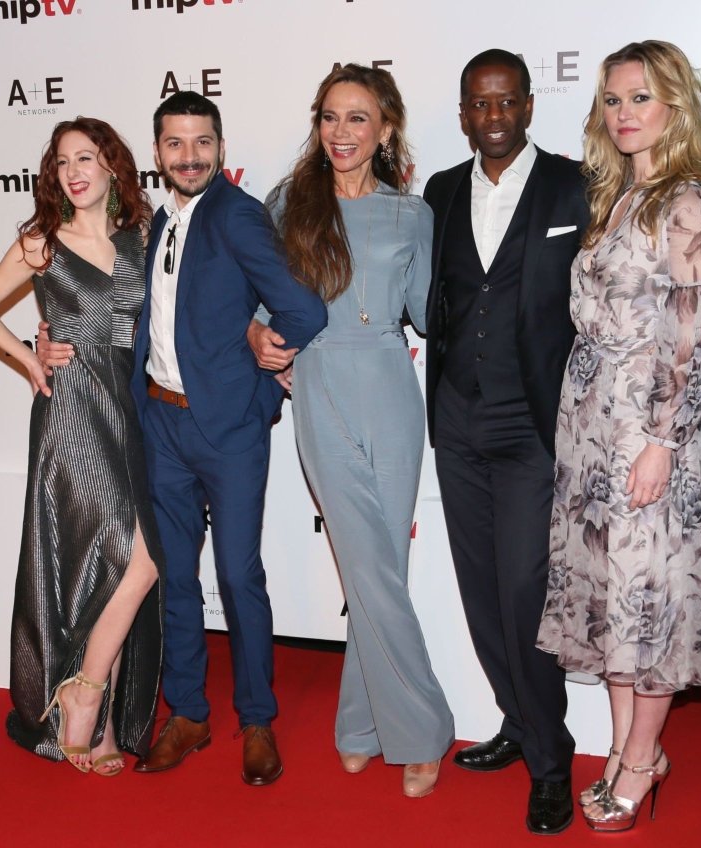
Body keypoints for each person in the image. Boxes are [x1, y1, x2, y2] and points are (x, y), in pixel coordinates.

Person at [38, 92, 328, 784]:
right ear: (158, 152)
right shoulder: (157, 219)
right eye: (175, 144)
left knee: (237, 576)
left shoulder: (237, 213)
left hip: (225, 428)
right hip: (160, 422)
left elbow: (303, 307)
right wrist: (43, 343)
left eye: (202, 143)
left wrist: (262, 378)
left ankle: (256, 721)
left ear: (219, 150)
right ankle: (189, 714)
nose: (190, 156)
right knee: (175, 579)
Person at [248, 64, 455, 798]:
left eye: (357, 118)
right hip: (320, 384)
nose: (341, 132)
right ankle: (426, 729)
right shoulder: (287, 205)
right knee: (364, 562)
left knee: (380, 569)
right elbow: (258, 300)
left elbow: (429, 315)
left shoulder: (414, 214)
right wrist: (256, 336)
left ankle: (361, 725)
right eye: (330, 117)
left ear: (386, 128)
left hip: (393, 389)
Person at [535, 40, 701, 832]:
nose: (623, 114)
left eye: (639, 98)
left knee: (646, 597)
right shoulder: (615, 194)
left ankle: (643, 761)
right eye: (612, 101)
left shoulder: (687, 200)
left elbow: (694, 332)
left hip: (644, 425)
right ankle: (623, 748)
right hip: (588, 420)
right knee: (611, 596)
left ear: (674, 106)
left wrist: (664, 439)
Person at [0, 118, 164, 777]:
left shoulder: (145, 232)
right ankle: (90, 713)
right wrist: (29, 357)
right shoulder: (41, 244)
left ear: (113, 167)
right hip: (73, 410)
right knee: (101, 556)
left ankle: (86, 691)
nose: (74, 170)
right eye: (61, 162)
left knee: (145, 557)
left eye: (87, 157)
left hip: (136, 404)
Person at [422, 49, 590, 834]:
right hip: (457, 420)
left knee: (525, 592)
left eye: (504, 103)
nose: (492, 118)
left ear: (528, 106)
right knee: (482, 590)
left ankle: (551, 762)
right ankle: (518, 727)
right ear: (464, 113)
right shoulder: (442, 191)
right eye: (477, 106)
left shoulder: (573, 185)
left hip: (531, 422)